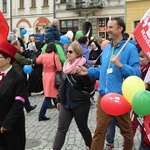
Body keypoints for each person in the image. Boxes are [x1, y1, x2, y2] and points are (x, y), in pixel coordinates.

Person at [76, 17, 141, 150]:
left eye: (111, 27)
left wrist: (121, 66)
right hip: (104, 97)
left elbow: (136, 74)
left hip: (120, 98)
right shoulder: (106, 48)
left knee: (127, 133)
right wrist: (87, 72)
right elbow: (103, 71)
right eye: (107, 27)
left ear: (120, 28)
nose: (108, 30)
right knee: (99, 131)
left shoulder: (129, 48)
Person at [52, 42, 95, 150]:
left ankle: (90, 146)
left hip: (80, 103)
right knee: (61, 128)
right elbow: (63, 84)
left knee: (83, 128)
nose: (67, 53)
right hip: (66, 103)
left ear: (78, 53)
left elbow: (90, 85)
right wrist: (58, 99)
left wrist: (83, 76)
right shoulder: (66, 66)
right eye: (67, 51)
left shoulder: (84, 66)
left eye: (70, 51)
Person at [0, 40, 26, 150]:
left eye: (0, 57)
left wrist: (7, 123)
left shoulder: (18, 79)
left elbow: (18, 103)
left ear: (8, 59)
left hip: (10, 126)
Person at [36, 42, 62, 121]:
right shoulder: (55, 56)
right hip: (53, 76)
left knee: (52, 95)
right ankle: (41, 114)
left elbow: (37, 61)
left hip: (45, 76)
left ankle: (62, 112)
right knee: (49, 96)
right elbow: (59, 68)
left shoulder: (43, 55)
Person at [11, 40, 37, 113]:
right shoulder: (15, 54)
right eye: (19, 45)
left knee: (22, 91)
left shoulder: (17, 53)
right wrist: (33, 60)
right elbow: (24, 61)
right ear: (15, 46)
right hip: (18, 74)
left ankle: (27, 106)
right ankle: (27, 106)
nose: (20, 46)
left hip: (19, 73)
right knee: (21, 91)